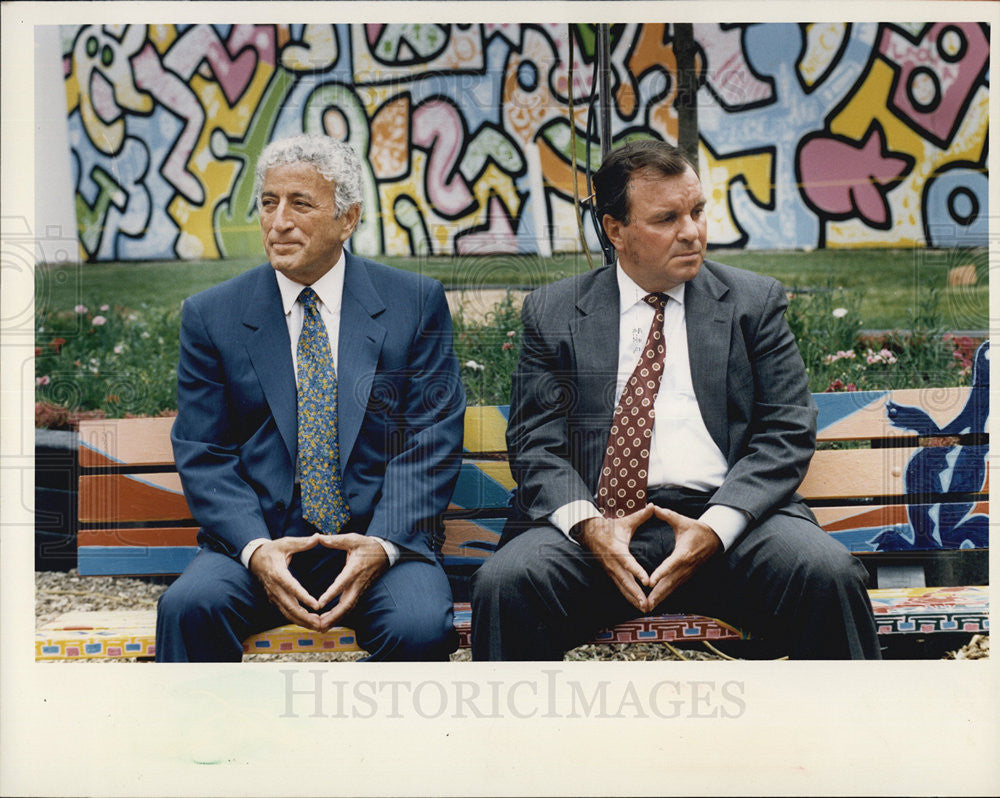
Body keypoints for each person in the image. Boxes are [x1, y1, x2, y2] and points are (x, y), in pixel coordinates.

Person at [471, 139, 880, 660]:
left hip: (730, 522)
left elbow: (786, 431)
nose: (691, 232)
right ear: (614, 229)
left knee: (828, 575)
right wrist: (591, 526)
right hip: (601, 527)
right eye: (667, 218)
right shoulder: (555, 314)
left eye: (697, 211)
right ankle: (511, 743)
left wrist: (717, 526)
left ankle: (851, 738)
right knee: (505, 584)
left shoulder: (752, 304)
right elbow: (535, 443)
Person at [156, 134, 465, 661]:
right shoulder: (213, 316)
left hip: (378, 541)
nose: (279, 222)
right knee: (189, 607)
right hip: (258, 546)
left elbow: (431, 440)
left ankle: (376, 747)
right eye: (269, 203)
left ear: (348, 219)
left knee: (419, 627)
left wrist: (383, 543)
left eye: (301, 204)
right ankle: (214, 747)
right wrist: (255, 550)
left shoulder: (413, 304)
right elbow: (203, 451)